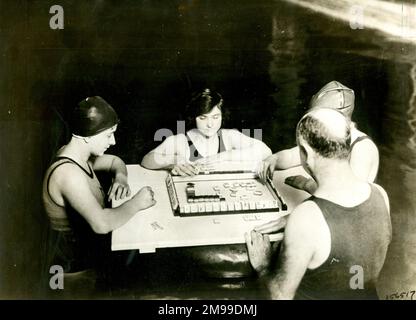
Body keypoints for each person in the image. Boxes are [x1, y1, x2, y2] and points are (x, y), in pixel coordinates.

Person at [245, 108, 391, 299]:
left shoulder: (307, 217)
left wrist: (264, 266)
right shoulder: (380, 195)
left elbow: (279, 296)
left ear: (305, 152)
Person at [42, 96, 156, 290]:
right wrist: (137, 202)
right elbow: (101, 224)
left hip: (88, 254)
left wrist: (120, 177)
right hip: (74, 271)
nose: (113, 141)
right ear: (88, 135)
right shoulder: (67, 173)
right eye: (109, 134)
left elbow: (115, 162)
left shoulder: (76, 155)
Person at [258, 81, 379, 194]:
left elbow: (350, 196)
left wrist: (306, 184)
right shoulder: (329, 137)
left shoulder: (363, 148)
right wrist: (274, 159)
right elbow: (293, 155)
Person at [141, 88, 272, 175]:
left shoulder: (228, 136)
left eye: (216, 117)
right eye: (203, 117)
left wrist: (222, 157)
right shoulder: (181, 140)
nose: (210, 124)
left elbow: (266, 151)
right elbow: (146, 160)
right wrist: (173, 161)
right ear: (193, 117)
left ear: (223, 115)